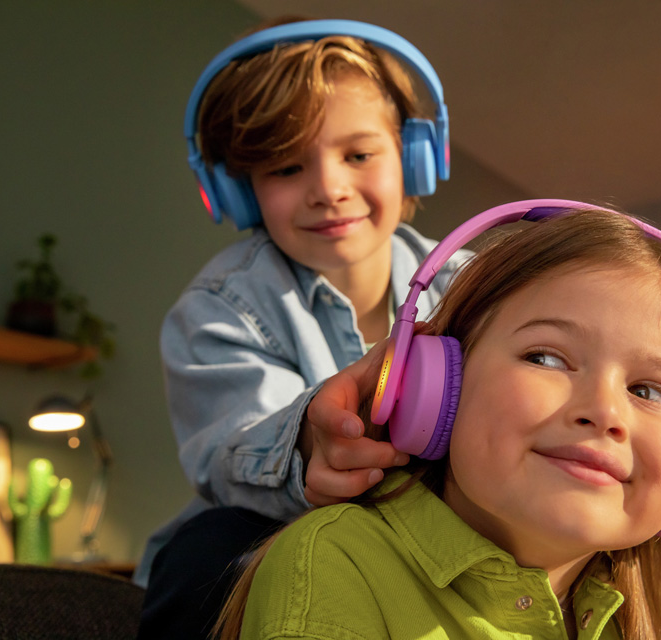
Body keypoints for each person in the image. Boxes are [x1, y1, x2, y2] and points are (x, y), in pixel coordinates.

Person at [214, 202, 661, 640]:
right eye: (546, 358)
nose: (604, 411)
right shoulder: (334, 563)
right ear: (434, 387)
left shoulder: (647, 622)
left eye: (649, 391)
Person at [135, 18, 468, 639]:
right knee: (208, 547)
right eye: (286, 169)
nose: (328, 189)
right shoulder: (218, 308)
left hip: (431, 544)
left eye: (358, 155)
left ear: (415, 158)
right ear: (238, 192)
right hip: (274, 537)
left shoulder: (474, 285)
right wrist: (312, 445)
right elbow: (231, 450)